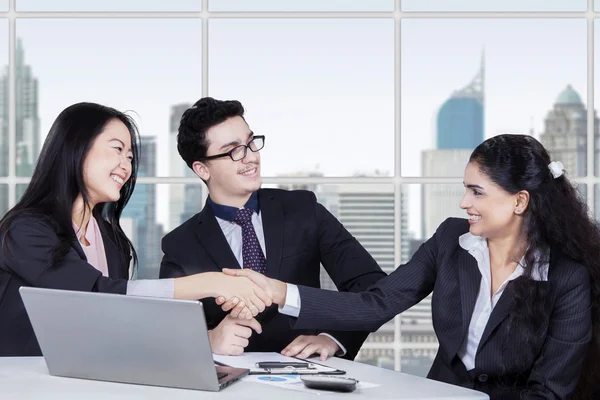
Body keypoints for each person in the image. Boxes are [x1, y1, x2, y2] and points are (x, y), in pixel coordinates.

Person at [224, 134, 600, 399]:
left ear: (519, 201)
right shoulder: (451, 240)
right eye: (465, 188)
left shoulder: (567, 277)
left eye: (477, 192)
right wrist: (278, 291)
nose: (463, 202)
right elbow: (376, 303)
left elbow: (549, 392)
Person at [0, 102, 271, 357]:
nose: (126, 165)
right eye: (117, 149)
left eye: (130, 156)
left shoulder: (112, 241)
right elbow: (94, 295)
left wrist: (209, 340)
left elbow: (122, 326)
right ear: (76, 148)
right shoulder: (25, 231)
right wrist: (211, 282)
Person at [159, 97, 387, 360]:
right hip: (228, 384)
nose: (251, 157)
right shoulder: (180, 244)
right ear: (202, 168)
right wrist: (207, 340)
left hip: (309, 377)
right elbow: (166, 327)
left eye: (251, 143)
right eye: (234, 150)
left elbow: (372, 284)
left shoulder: (303, 209)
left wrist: (333, 338)